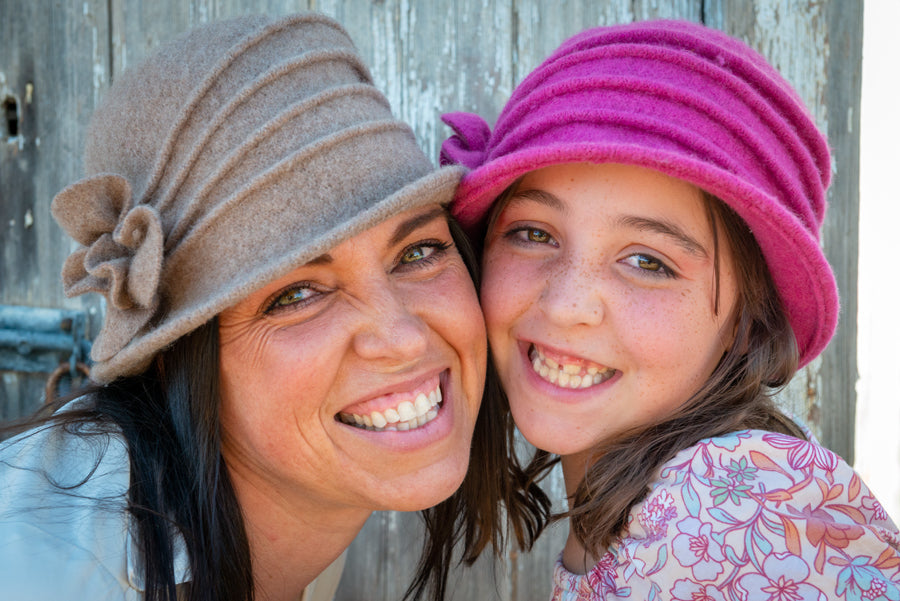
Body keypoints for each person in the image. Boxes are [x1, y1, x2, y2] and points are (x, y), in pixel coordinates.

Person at [0, 13, 514, 601]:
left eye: (419, 251)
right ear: (174, 353)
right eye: (296, 294)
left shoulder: (285, 522)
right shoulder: (44, 574)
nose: (402, 337)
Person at [440, 20, 900, 600]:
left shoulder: (732, 511)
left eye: (648, 263)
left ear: (743, 321)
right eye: (534, 233)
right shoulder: (657, 514)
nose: (566, 305)